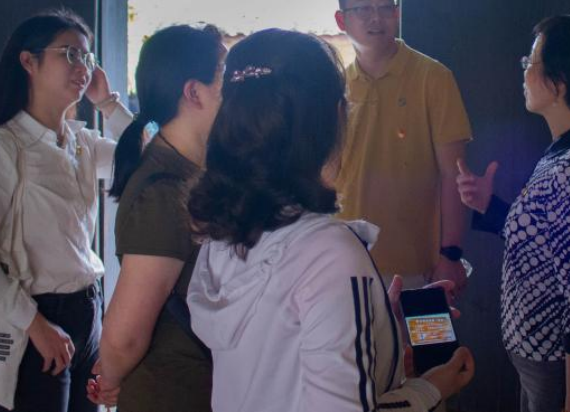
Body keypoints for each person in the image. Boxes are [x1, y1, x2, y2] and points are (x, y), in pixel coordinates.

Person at [185, 29, 475, 411]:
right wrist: (429, 389)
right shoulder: (329, 253)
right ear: (335, 116)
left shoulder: (224, 236)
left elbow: (276, 363)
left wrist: (374, 323)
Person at [0, 9, 132, 412]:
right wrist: (35, 324)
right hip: (34, 317)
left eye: (87, 57)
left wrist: (108, 103)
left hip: (88, 309)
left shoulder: (83, 143)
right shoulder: (0, 148)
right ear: (28, 62)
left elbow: (150, 157)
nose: (83, 67)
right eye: (69, 54)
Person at [457, 16, 570, 412]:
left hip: (563, 375)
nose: (524, 71)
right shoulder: (566, 153)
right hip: (545, 366)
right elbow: (547, 242)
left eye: (530, 62)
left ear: (558, 83)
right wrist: (490, 207)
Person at [87, 25, 225, 411]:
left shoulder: (191, 171)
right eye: (224, 77)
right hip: (170, 391)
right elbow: (125, 336)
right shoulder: (165, 191)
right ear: (194, 92)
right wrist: (111, 376)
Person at [333, 0, 473, 291]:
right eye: (363, 8)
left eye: (386, 7)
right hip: (345, 268)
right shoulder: (334, 86)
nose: (376, 18)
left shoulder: (433, 78)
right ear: (342, 20)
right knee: (358, 329)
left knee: (429, 328)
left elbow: (454, 175)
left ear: (397, 14)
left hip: (422, 268)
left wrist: (450, 254)